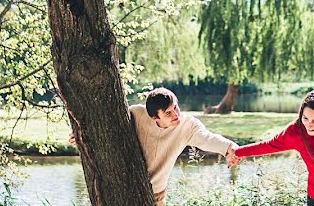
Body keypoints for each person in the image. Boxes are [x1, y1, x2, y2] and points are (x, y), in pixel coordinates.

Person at [69, 87, 238, 206]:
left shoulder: (188, 125)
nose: (176, 115)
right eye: (168, 113)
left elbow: (207, 138)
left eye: (176, 108)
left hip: (156, 195)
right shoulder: (135, 114)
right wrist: (82, 137)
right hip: (122, 188)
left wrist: (228, 147)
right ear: (154, 117)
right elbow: (106, 129)